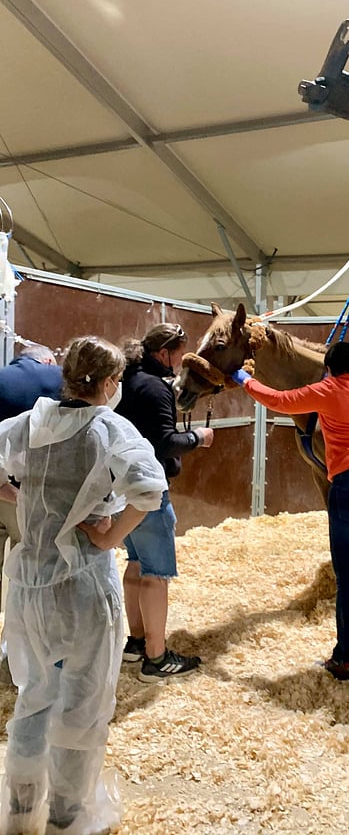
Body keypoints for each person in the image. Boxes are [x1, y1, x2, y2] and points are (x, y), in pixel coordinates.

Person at [0, 335, 166, 835]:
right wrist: (110, 535)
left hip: (30, 585)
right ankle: (65, 819)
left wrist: (24, 500)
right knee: (82, 702)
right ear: (111, 382)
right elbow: (150, 489)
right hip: (82, 584)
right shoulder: (108, 428)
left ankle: (20, 812)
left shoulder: (30, 422)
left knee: (34, 695)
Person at [231, 341, 349, 684]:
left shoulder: (329, 389)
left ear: (330, 370)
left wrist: (245, 379)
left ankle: (346, 659)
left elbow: (279, 400)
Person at [116, 323, 213, 682]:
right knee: (156, 574)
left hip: (121, 486)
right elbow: (164, 442)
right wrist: (198, 437)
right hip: (149, 490)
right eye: (179, 354)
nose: (180, 361)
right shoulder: (155, 387)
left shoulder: (125, 379)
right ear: (163, 353)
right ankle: (156, 658)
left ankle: (136, 642)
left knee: (135, 563)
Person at [0, 342, 63, 581]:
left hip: (2, 481)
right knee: (28, 573)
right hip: (31, 491)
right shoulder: (59, 376)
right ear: (47, 361)